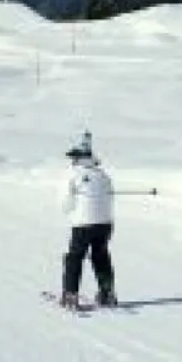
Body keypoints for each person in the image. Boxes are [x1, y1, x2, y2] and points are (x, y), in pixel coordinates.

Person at [57, 131, 116, 309]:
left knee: (75, 257)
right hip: (105, 224)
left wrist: (71, 212)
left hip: (83, 224)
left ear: (80, 158)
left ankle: (70, 294)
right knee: (101, 256)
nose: (72, 160)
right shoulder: (103, 175)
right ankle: (107, 293)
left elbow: (64, 203)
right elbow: (110, 198)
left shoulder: (73, 175)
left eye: (74, 157)